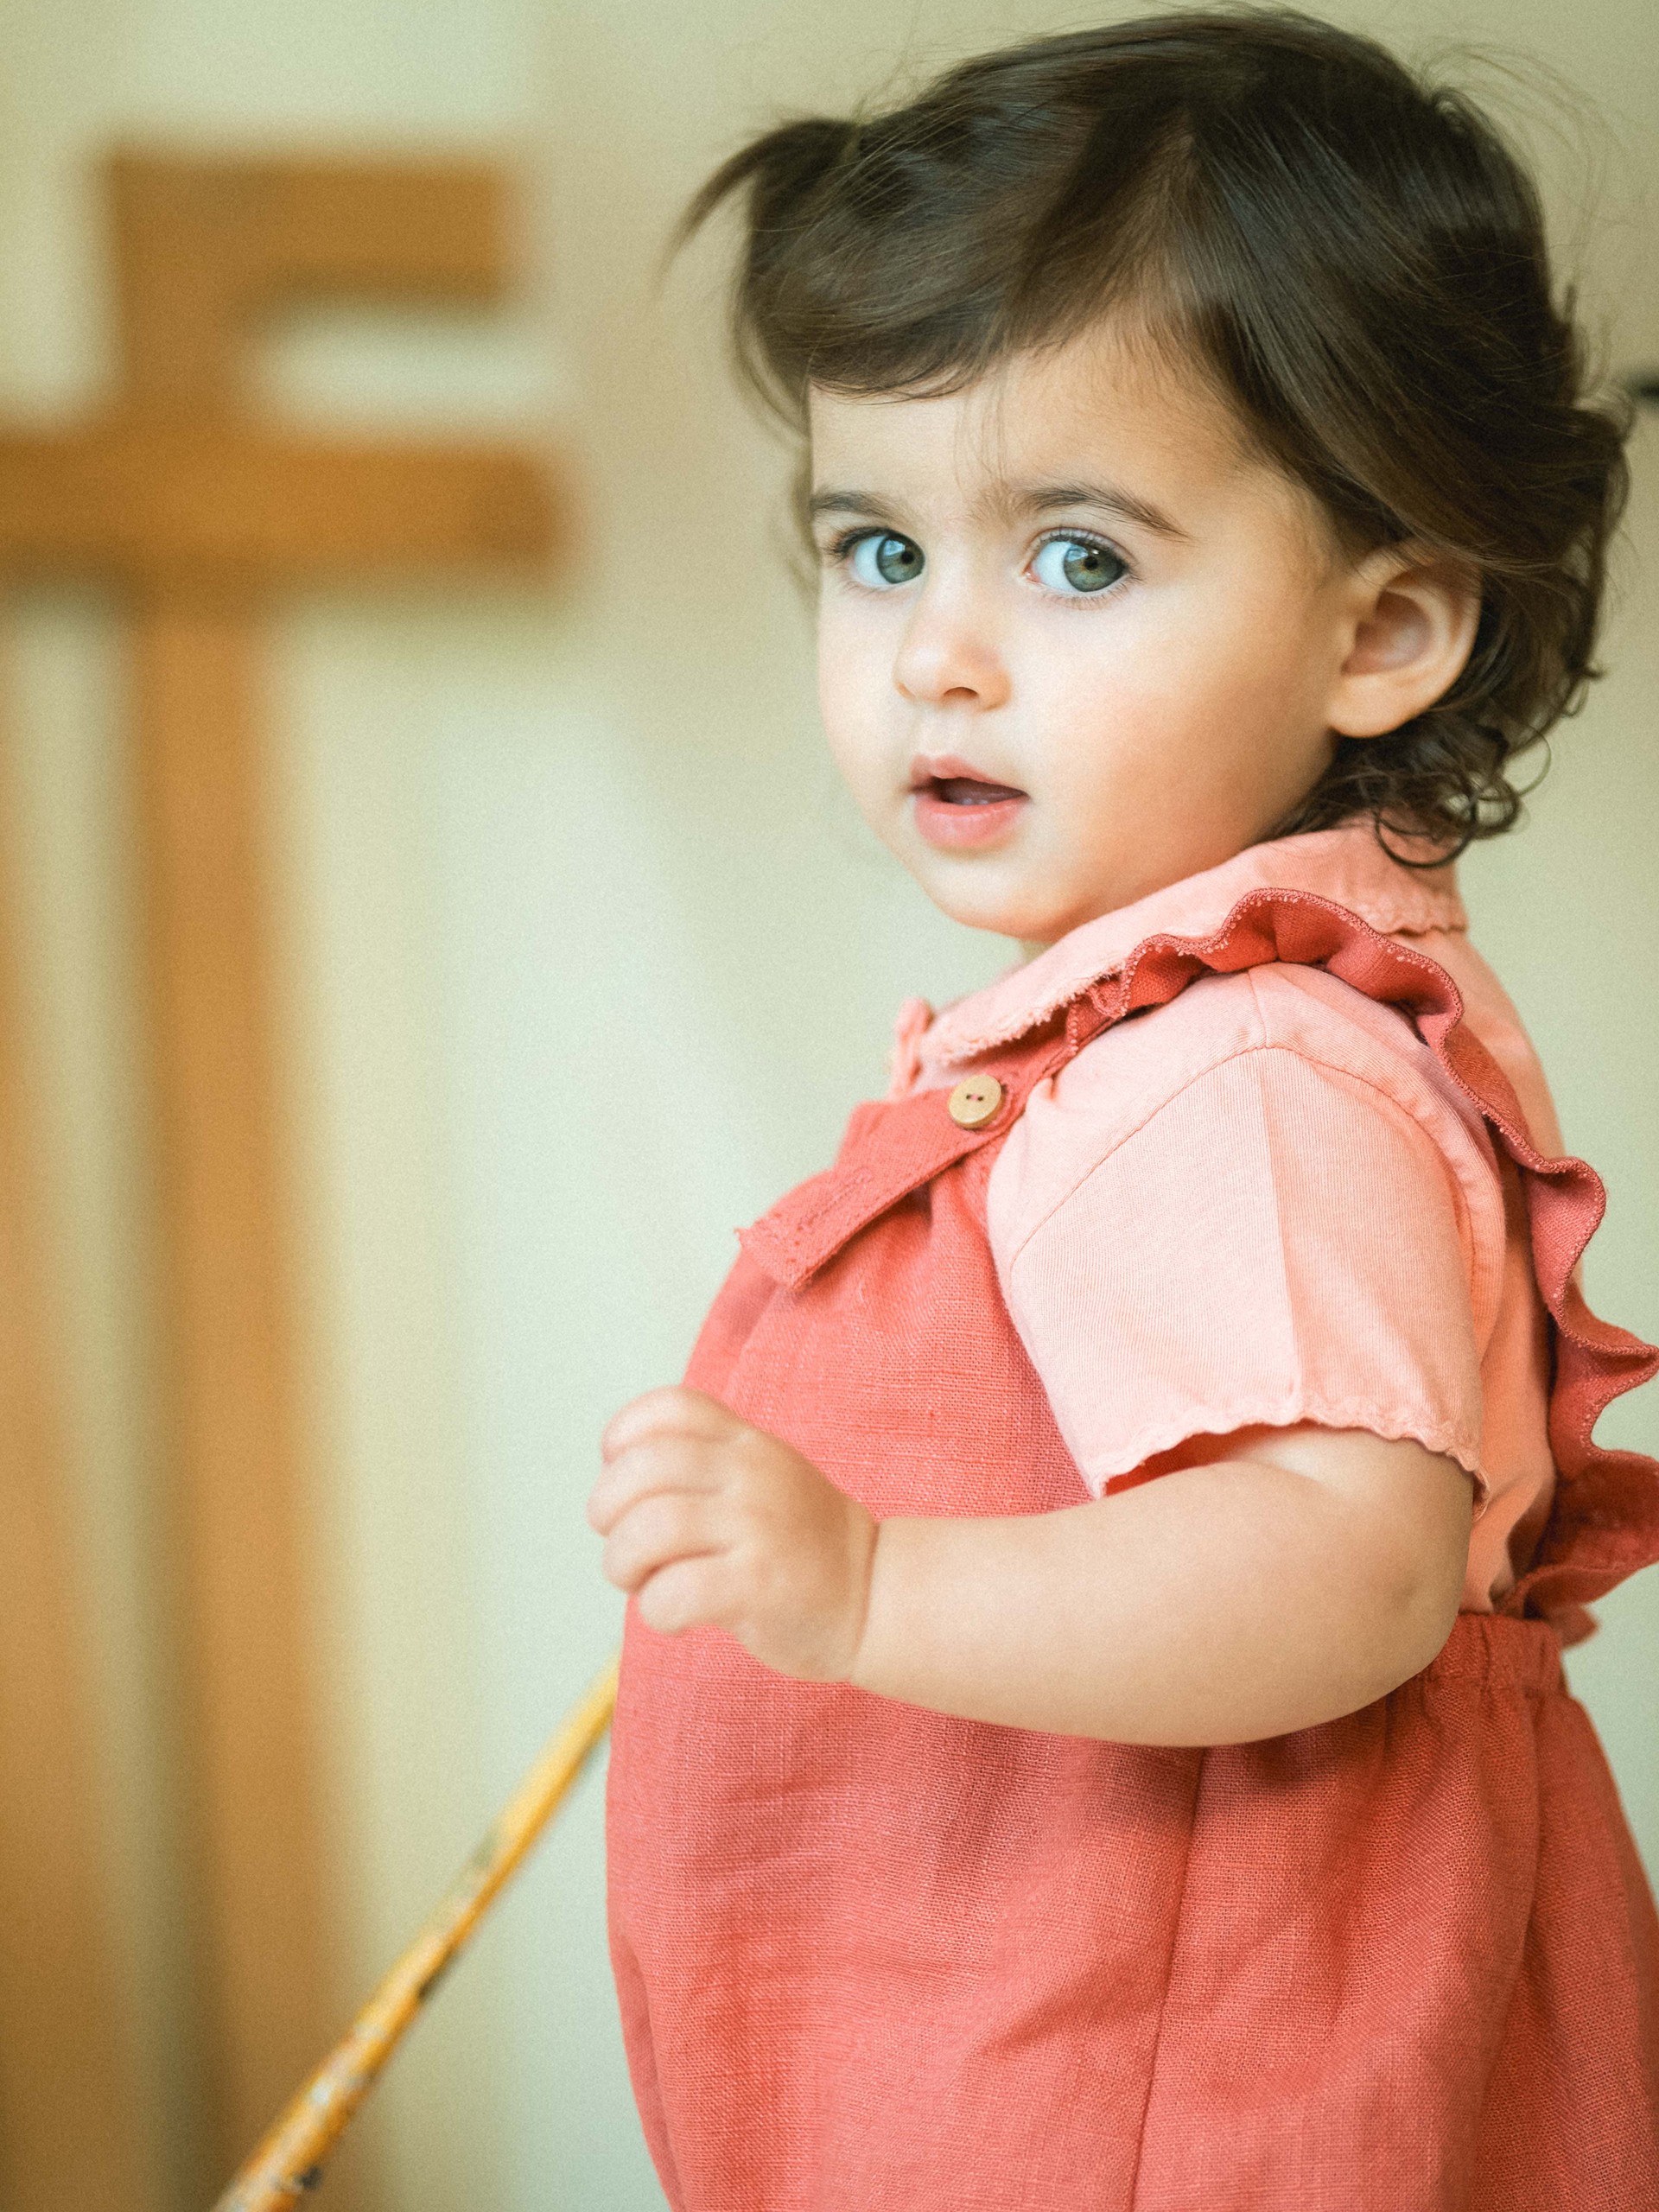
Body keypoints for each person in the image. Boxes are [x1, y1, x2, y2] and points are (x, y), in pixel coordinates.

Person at [585, 13, 1659, 2206]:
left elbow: (1336, 1565)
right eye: (876, 547)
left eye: (1076, 557)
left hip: (1183, 2086)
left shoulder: (1240, 1076)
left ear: (1386, 628)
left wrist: (867, 1583)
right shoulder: (1138, 1046)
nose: (937, 657)